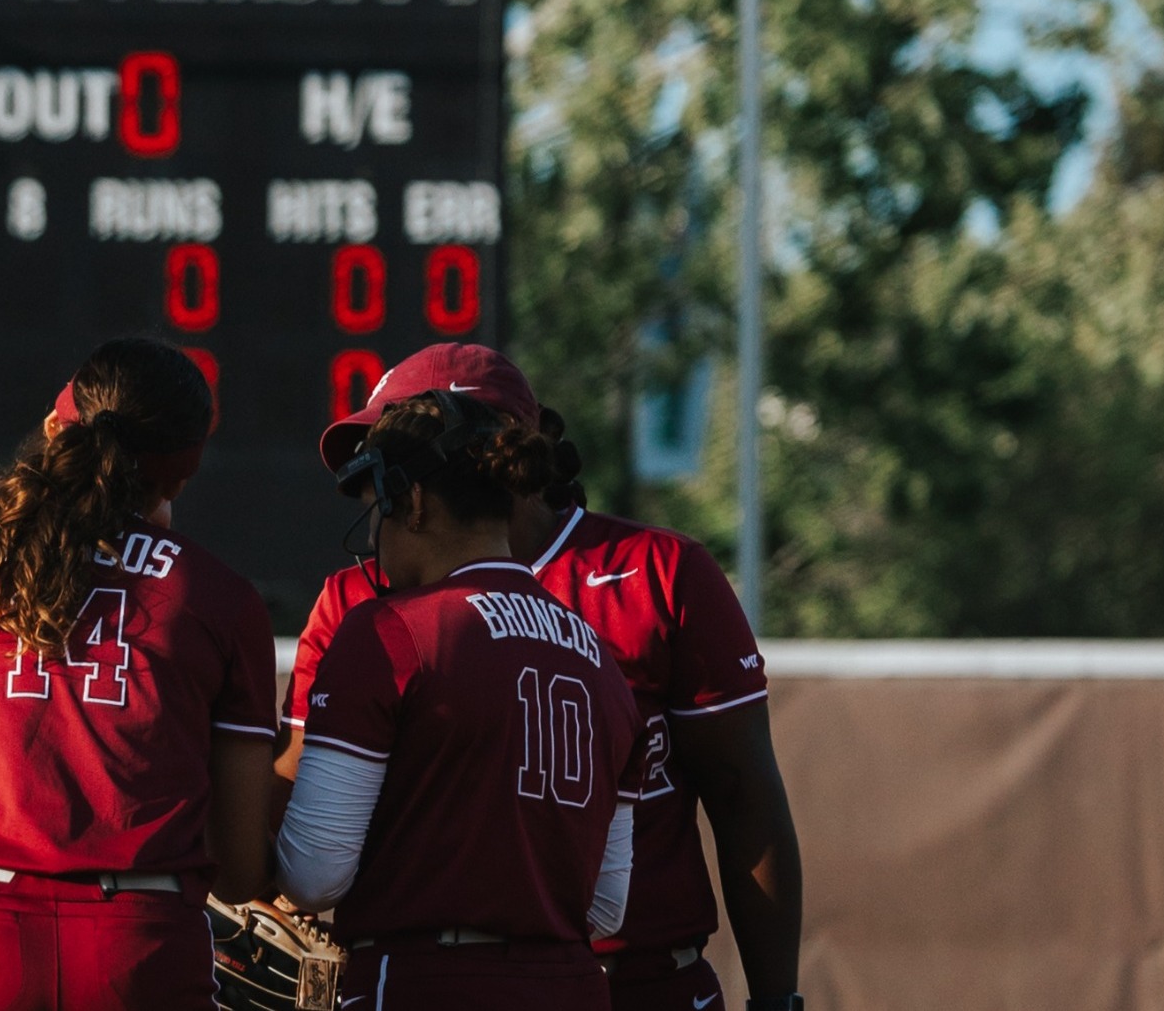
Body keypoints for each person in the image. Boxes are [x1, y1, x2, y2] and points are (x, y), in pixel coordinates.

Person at [278, 343, 806, 1011]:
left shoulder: (654, 570)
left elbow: (743, 795)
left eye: (386, 468)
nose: (371, 497)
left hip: (631, 977)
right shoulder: (355, 596)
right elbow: (302, 800)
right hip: (535, 968)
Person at [0, 337, 278, 1011]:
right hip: (141, 942)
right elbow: (243, 864)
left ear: (54, 428)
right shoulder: (221, 597)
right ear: (181, 472)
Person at [277, 390, 647, 1009]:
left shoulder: (390, 630)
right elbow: (606, 907)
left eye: (378, 510)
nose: (373, 534)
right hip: (572, 987)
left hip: (428, 982)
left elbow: (314, 877)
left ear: (414, 503)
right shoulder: (599, 657)